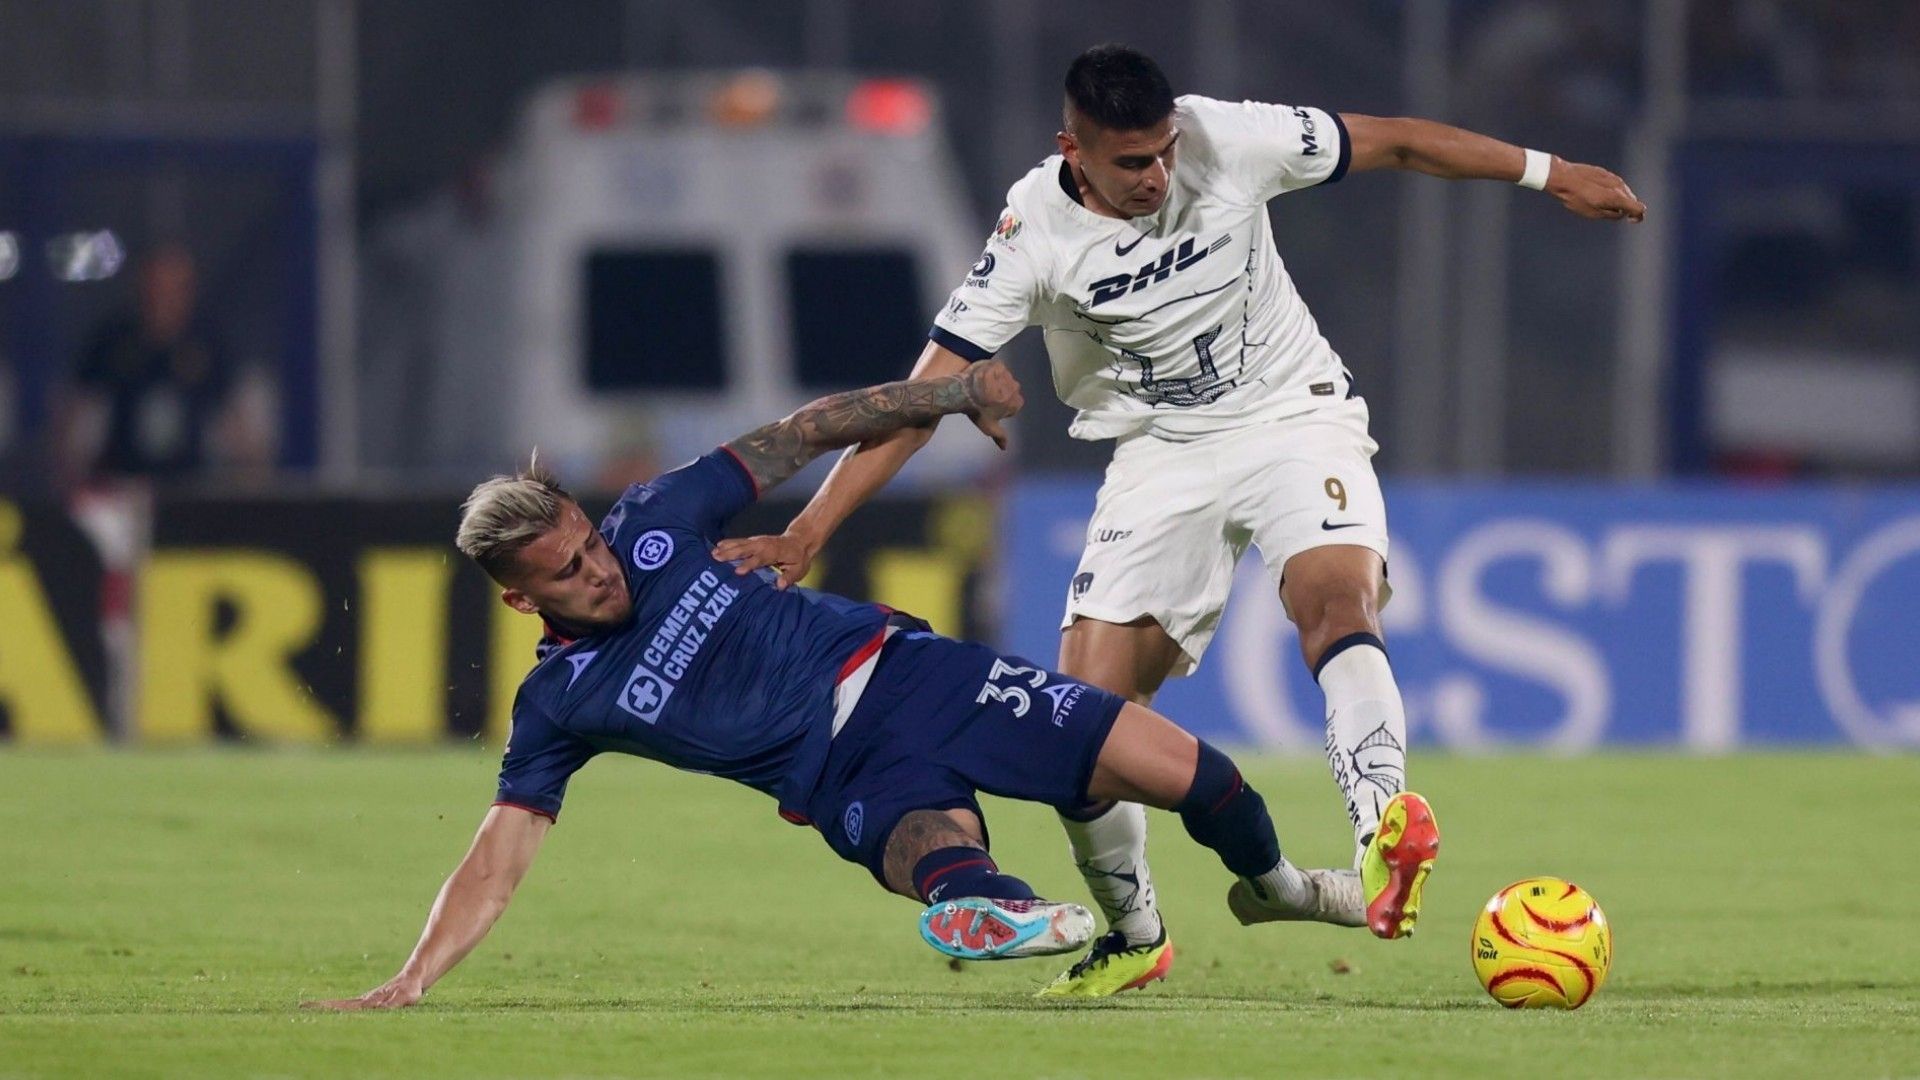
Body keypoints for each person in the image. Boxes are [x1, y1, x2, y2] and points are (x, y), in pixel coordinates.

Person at [713, 43, 1645, 996]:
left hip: (1294, 413)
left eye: (1163, 151)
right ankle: (1136, 934)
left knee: (1335, 601)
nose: (1159, 174)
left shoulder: (1226, 137)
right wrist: (808, 530)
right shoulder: (1031, 235)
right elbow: (916, 402)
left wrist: (1552, 172)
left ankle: (1380, 829)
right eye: (1132, 162)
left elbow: (1398, 143)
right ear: (1071, 148)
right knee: (1081, 725)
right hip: (1160, 452)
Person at [306, 360, 1412, 1011]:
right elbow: (501, 850)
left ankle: (1275, 883)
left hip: (914, 679)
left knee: (1200, 780)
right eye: (567, 574)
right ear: (519, 602)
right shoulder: (559, 704)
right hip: (837, 779)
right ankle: (1000, 914)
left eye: (589, 543)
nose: (597, 570)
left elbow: (804, 433)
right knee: (932, 857)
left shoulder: (657, 519)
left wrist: (948, 390)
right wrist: (412, 979)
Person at [54, 245, 269, 487]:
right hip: (121, 488)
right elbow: (75, 420)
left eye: (173, 291)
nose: (163, 301)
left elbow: (244, 432)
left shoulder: (210, 345)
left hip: (193, 488)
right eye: (155, 289)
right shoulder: (111, 343)